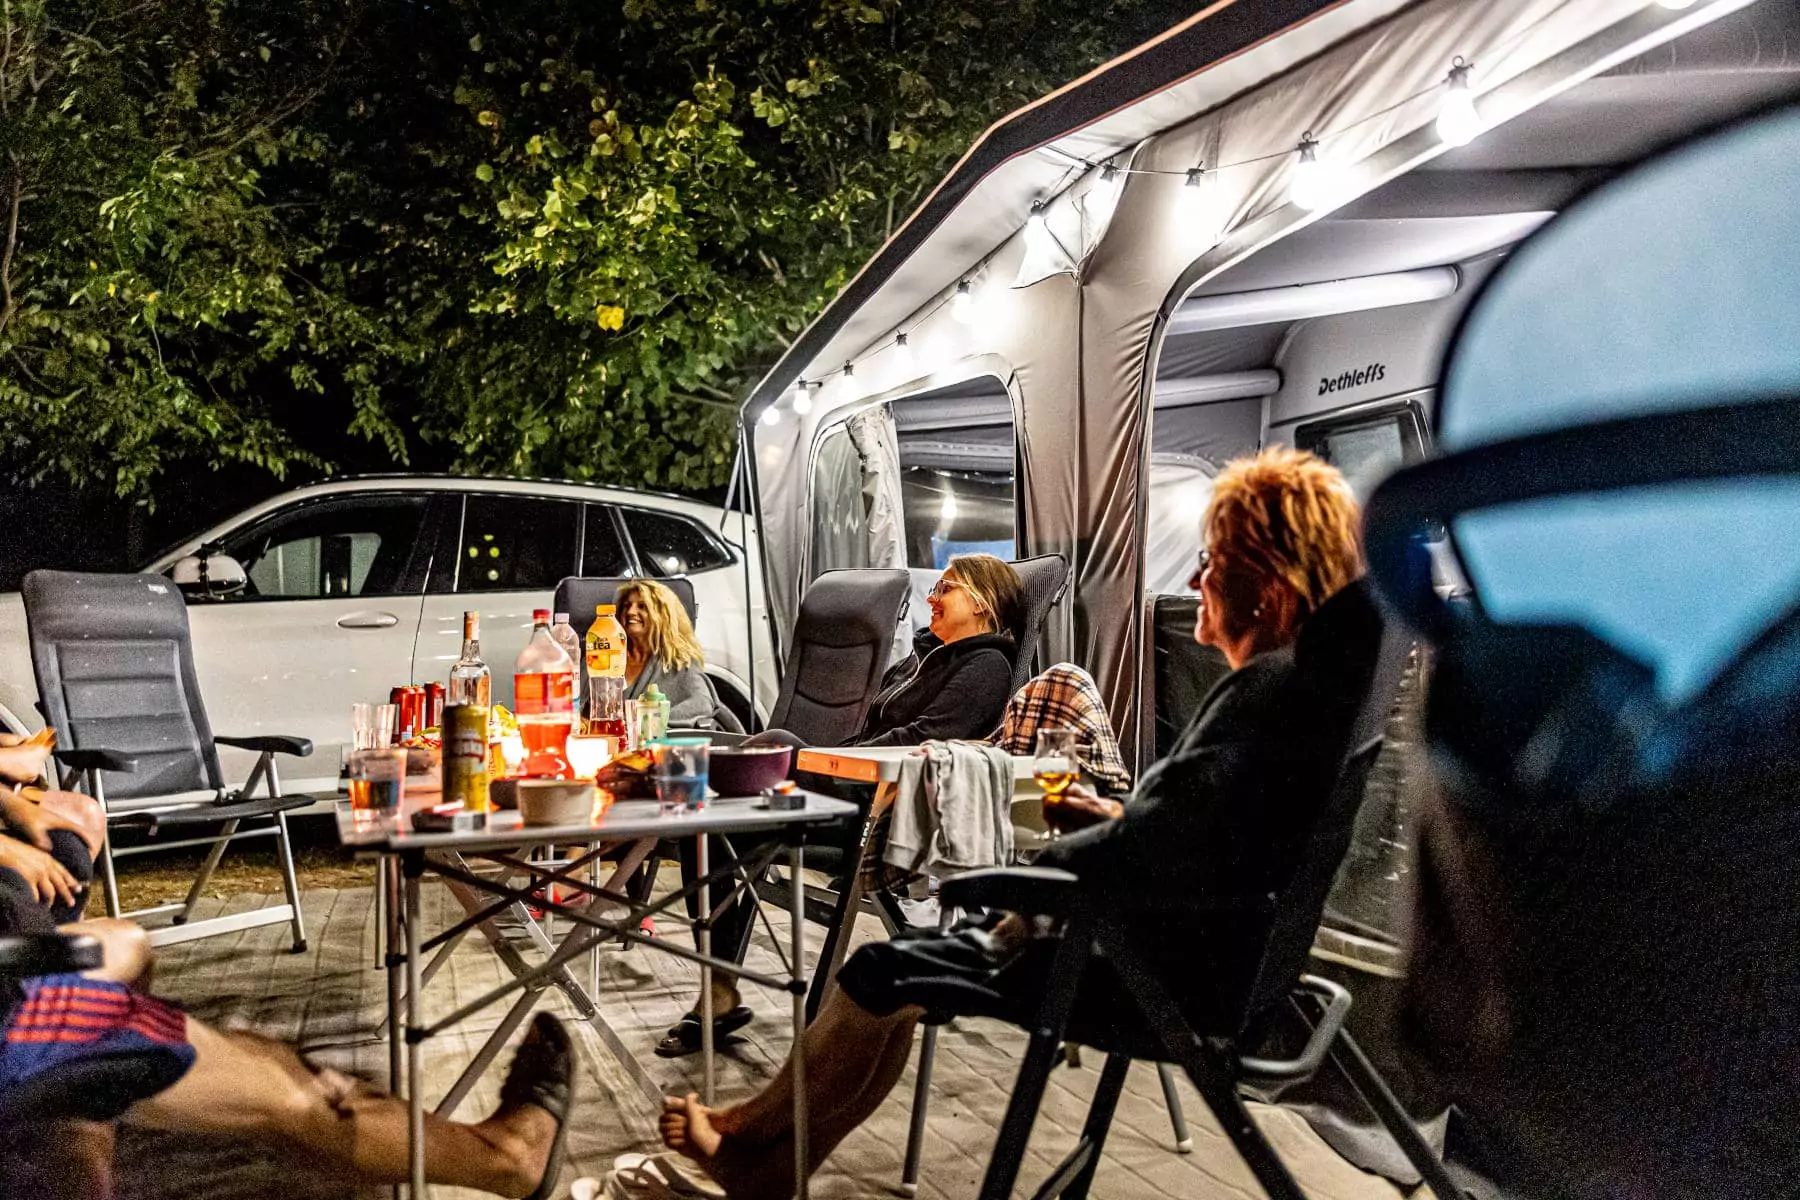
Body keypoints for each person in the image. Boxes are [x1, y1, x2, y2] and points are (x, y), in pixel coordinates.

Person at [656, 447, 1366, 1198]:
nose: (1194, 581)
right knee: (895, 975)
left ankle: (748, 1139)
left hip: (1148, 973)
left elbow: (1155, 848)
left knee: (879, 968)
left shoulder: (1262, 695)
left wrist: (1010, 881)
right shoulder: (1300, 694)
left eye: (1213, 561)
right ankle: (765, 1158)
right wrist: (1112, 813)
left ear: (1270, 580)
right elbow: (1192, 833)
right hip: (1213, 968)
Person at [655, 554, 1024, 1057]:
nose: (932, 599)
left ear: (983, 602)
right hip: (854, 791)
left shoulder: (987, 666)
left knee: (773, 747)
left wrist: (822, 759)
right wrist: (828, 759)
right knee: (717, 825)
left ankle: (668, 793)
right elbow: (874, 734)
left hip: (885, 812)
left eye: (946, 589)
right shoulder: (921, 660)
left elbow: (923, 743)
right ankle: (717, 988)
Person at [619, 580, 721, 729]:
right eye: (627, 606)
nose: (630, 612)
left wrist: (645, 723)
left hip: (650, 747)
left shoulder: (679, 663)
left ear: (663, 616)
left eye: (642, 606)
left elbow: (702, 703)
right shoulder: (603, 656)